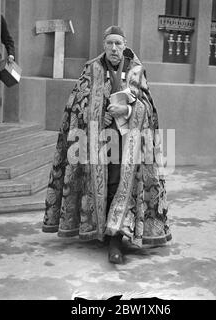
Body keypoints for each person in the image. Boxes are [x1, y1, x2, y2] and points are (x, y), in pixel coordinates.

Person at [42, 26, 172, 264]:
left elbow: (149, 108)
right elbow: (76, 104)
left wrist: (128, 109)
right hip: (98, 141)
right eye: (110, 43)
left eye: (118, 44)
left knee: (122, 185)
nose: (114, 48)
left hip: (128, 142)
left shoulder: (136, 70)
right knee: (107, 183)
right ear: (104, 44)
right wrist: (98, 115)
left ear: (125, 45)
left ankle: (116, 241)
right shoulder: (91, 69)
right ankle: (102, 230)